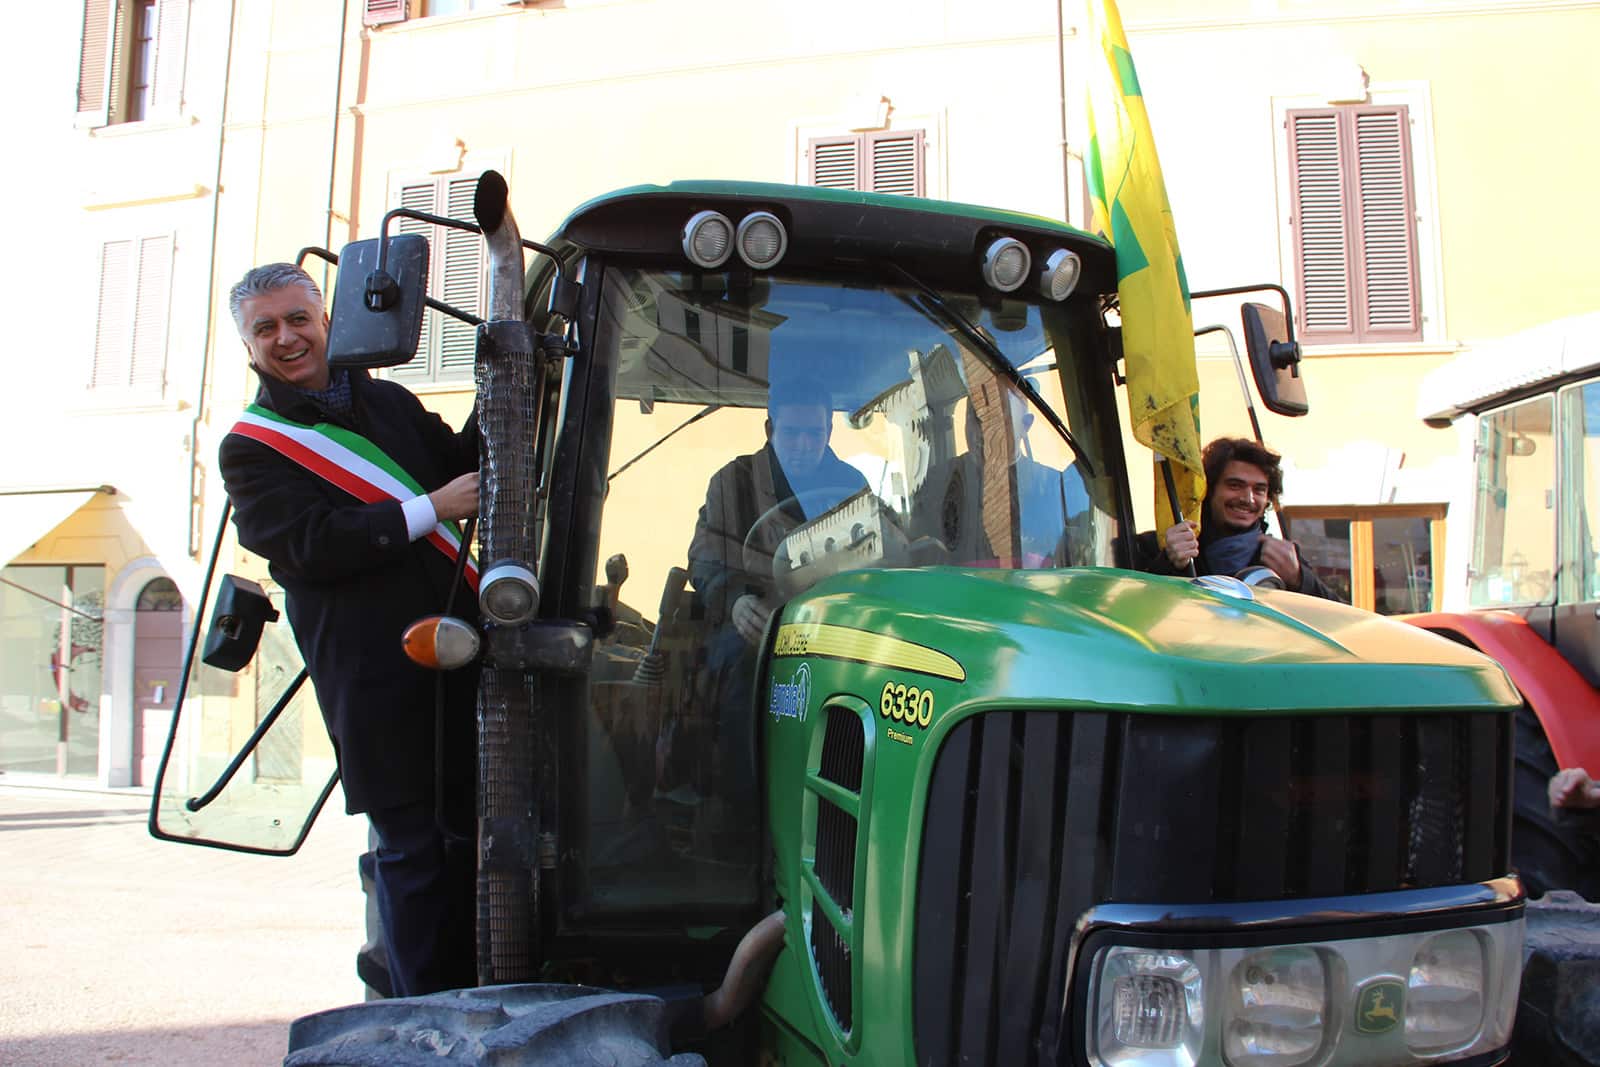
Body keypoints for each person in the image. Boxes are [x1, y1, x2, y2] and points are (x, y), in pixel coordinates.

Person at [218, 262, 480, 996]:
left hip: (463, 656)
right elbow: (312, 542)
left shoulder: (390, 402)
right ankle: (421, 1021)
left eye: (297, 319)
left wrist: (505, 377)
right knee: (414, 855)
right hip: (376, 681)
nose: (286, 337)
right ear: (249, 348)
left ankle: (480, 996)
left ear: (325, 320)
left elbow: (464, 463)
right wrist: (431, 507)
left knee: (475, 842)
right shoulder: (249, 448)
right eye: (265, 328)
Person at [1143, 436, 1338, 598]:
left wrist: (1299, 578)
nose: (1248, 499)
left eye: (1259, 489)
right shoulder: (1161, 546)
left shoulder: (1283, 558)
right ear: (1209, 490)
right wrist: (1167, 563)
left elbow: (1339, 621)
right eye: (1235, 485)